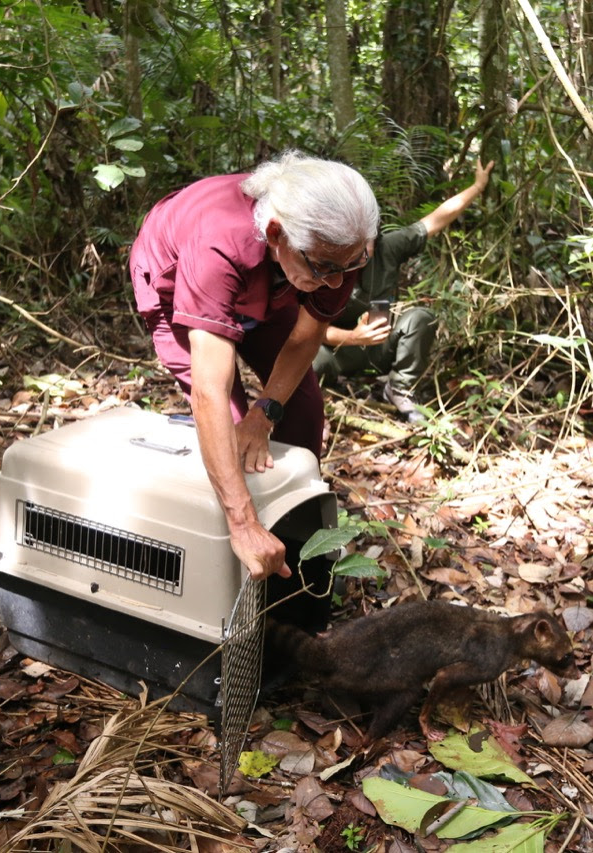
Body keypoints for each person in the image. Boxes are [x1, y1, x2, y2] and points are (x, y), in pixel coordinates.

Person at [129, 151, 378, 582]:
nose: (338, 282)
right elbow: (210, 390)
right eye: (326, 268)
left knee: (302, 410)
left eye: (352, 265)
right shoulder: (218, 244)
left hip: (272, 285)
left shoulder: (338, 248)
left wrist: (266, 413)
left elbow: (306, 337)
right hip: (177, 286)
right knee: (229, 428)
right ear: (277, 233)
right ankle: (237, 565)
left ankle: (299, 559)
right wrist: (242, 520)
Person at [313, 160, 493, 423]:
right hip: (336, 353)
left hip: (378, 349)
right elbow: (309, 328)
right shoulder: (324, 260)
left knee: (421, 317)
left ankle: (399, 388)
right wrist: (352, 337)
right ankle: (321, 397)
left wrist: (477, 187)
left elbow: (436, 220)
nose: (360, 253)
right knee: (309, 360)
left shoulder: (388, 248)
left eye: (366, 243)